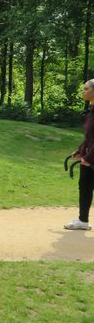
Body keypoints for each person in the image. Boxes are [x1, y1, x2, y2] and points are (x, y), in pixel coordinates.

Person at [64, 79, 94, 231]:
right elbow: (90, 137)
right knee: (85, 187)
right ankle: (83, 220)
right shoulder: (91, 111)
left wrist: (88, 158)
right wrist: (80, 151)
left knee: (86, 186)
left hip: (92, 159)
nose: (83, 91)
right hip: (89, 157)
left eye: (86, 89)